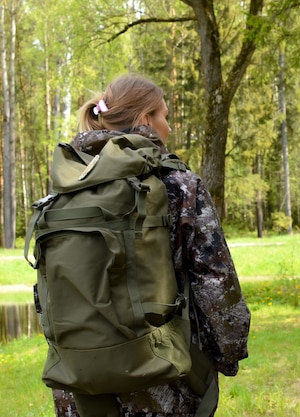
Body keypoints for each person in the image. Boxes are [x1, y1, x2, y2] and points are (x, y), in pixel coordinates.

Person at [51, 73, 251, 417]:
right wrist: (228, 354)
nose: (169, 127)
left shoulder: (69, 185)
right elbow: (216, 281)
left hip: (78, 383)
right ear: (146, 119)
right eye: (165, 116)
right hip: (163, 380)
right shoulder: (178, 185)